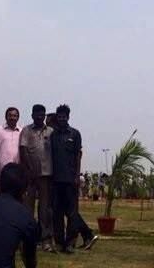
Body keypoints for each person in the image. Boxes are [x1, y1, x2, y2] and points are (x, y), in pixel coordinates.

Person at [50, 104, 98, 253]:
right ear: (57, 118)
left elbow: (78, 155)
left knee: (72, 213)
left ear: (68, 117)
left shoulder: (75, 134)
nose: (62, 119)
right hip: (55, 180)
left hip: (70, 180)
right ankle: (59, 243)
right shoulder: (53, 135)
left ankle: (70, 243)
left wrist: (77, 176)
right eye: (59, 117)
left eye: (64, 116)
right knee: (57, 213)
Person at [19, 104, 54, 251]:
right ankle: (28, 238)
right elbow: (23, 150)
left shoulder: (51, 132)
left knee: (45, 209)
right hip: (30, 176)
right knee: (28, 208)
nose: (40, 116)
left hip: (47, 175)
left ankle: (45, 240)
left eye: (42, 114)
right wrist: (29, 170)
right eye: (37, 114)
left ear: (45, 116)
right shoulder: (27, 130)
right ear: (32, 115)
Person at [0, 107, 21, 186]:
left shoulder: (21, 132)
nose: (12, 118)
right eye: (10, 115)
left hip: (15, 173)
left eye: (15, 116)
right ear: (6, 117)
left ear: (18, 117)